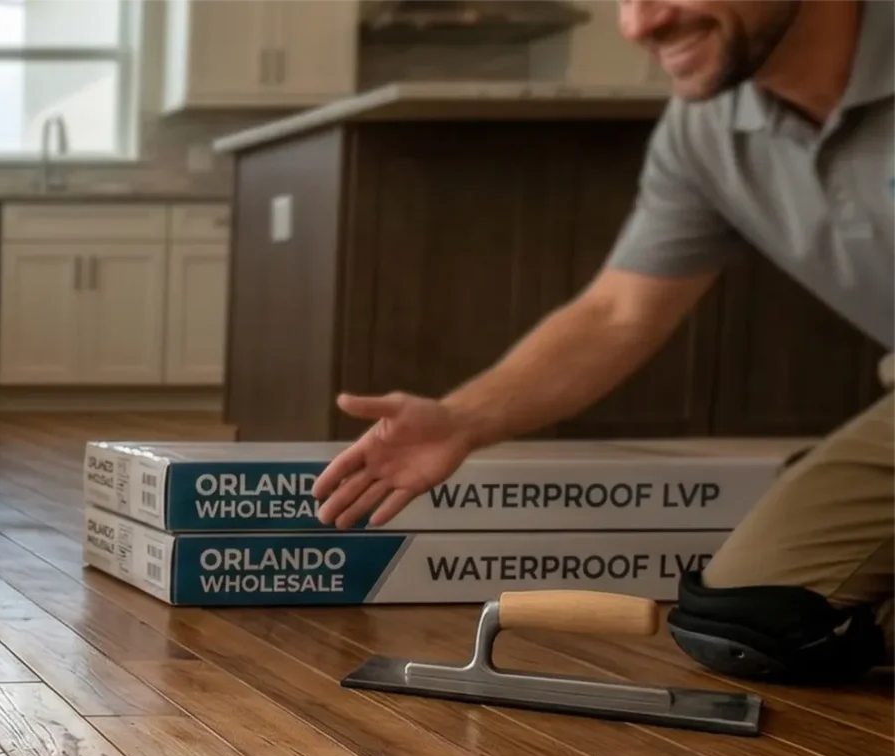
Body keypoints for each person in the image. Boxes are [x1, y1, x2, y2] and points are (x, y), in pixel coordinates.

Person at [310, 0, 893, 684]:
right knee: (752, 621)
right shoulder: (705, 129)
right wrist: (463, 418)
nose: (639, 24)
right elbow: (618, 311)